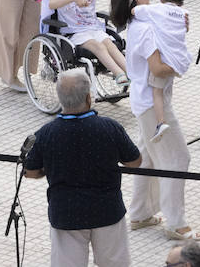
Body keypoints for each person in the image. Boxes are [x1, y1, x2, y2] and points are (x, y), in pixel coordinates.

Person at [21, 70, 142, 267]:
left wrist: (47, 170)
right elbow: (135, 161)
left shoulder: (47, 133)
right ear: (88, 97)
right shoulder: (109, 127)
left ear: (60, 99)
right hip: (107, 211)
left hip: (66, 213)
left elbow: (30, 171)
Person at [111, 0, 200, 241]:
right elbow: (158, 68)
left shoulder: (139, 22)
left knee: (147, 157)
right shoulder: (144, 30)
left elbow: (170, 22)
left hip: (143, 101)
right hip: (152, 105)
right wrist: (181, 66)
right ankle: (176, 223)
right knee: (177, 158)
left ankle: (141, 213)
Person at [48, 0, 130, 84]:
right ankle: (119, 74)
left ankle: (131, 72)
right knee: (99, 47)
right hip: (74, 31)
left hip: (93, 27)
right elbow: (52, 3)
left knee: (110, 45)